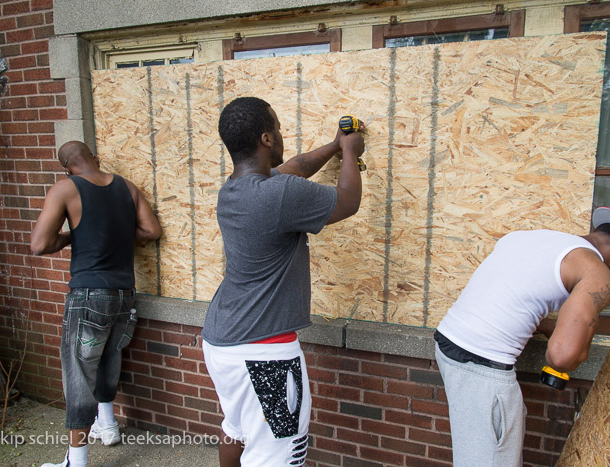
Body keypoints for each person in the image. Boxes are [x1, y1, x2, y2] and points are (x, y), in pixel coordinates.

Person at [201, 97, 365, 466]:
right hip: (265, 353)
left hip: (221, 341)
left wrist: (335, 144)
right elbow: (348, 201)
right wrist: (352, 153)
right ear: (266, 139)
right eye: (276, 127)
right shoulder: (278, 195)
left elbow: (293, 168)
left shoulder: (234, 189)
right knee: (277, 454)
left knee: (237, 427)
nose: (281, 132)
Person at [434, 206, 610, 467]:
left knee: (480, 448)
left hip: (450, 345)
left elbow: (512, 301)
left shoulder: (530, 238)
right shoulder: (597, 273)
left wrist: (558, 326)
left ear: (597, 231)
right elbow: (561, 356)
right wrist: (583, 340)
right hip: (484, 370)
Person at [31, 141, 162, 467]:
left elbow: (40, 244)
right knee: (108, 359)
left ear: (66, 167)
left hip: (89, 296)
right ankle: (107, 425)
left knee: (78, 372)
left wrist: (74, 235)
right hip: (124, 295)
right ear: (96, 158)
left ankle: (76, 462)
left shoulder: (65, 189)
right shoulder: (127, 188)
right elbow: (151, 230)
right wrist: (116, 230)